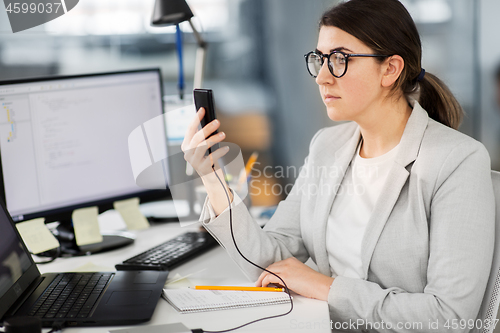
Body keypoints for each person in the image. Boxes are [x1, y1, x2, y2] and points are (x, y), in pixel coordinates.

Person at [181, 0, 495, 331]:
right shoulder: (327, 147)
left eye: (340, 59)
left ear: (390, 69)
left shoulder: (458, 160)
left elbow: (450, 318)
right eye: (319, 59)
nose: (322, 77)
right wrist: (213, 179)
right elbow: (270, 262)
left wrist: (325, 287)